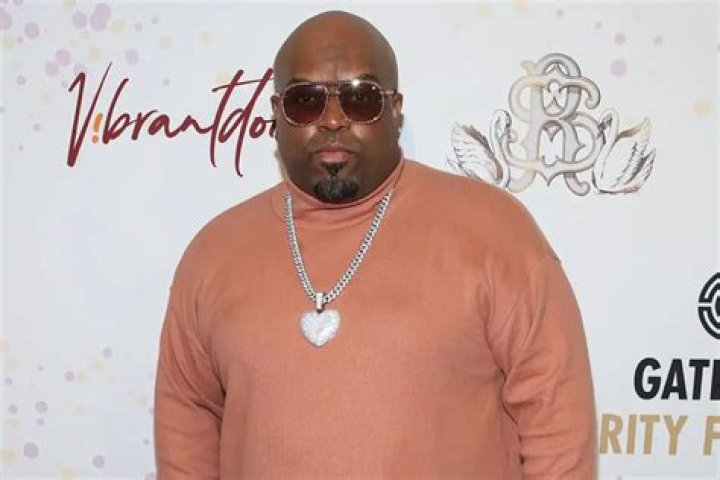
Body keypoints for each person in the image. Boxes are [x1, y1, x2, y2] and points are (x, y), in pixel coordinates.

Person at [154, 10, 596, 479]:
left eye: (360, 99)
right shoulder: (215, 253)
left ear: (396, 110)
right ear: (276, 114)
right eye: (306, 102)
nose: (332, 120)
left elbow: (556, 418)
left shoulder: (494, 232)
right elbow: (187, 423)